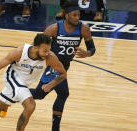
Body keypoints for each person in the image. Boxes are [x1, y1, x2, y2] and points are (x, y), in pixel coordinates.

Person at [0, 33, 67, 131]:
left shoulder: (50, 58)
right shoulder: (20, 52)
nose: (47, 53)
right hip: (12, 77)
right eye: (44, 51)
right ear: (35, 47)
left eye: (49, 50)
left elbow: (63, 73)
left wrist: (52, 84)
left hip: (24, 83)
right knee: (30, 106)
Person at [30, 1, 96, 131]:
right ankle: (55, 128)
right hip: (52, 65)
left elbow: (92, 48)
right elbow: (35, 46)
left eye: (78, 15)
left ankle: (13, 95)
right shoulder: (54, 29)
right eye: (74, 15)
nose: (77, 18)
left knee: (40, 94)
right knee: (63, 93)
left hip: (64, 66)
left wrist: (87, 53)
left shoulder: (84, 29)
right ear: (66, 15)